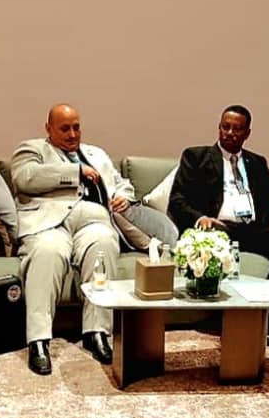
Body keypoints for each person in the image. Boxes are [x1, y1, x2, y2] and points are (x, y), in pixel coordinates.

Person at [11, 104, 177, 376]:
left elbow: (121, 183)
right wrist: (75, 172)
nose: (72, 134)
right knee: (48, 251)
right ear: (48, 128)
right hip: (50, 224)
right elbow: (25, 178)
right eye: (65, 128)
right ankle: (38, 340)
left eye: (76, 127)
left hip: (94, 222)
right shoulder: (32, 150)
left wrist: (124, 197)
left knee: (104, 244)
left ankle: (97, 332)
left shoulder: (96, 154)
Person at [168, 105, 269, 286]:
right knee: (216, 236)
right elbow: (177, 199)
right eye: (225, 127)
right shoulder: (196, 157)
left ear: (247, 133)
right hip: (219, 227)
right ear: (219, 128)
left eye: (237, 129)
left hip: (253, 229)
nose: (230, 133)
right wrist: (201, 218)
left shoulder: (257, 162)